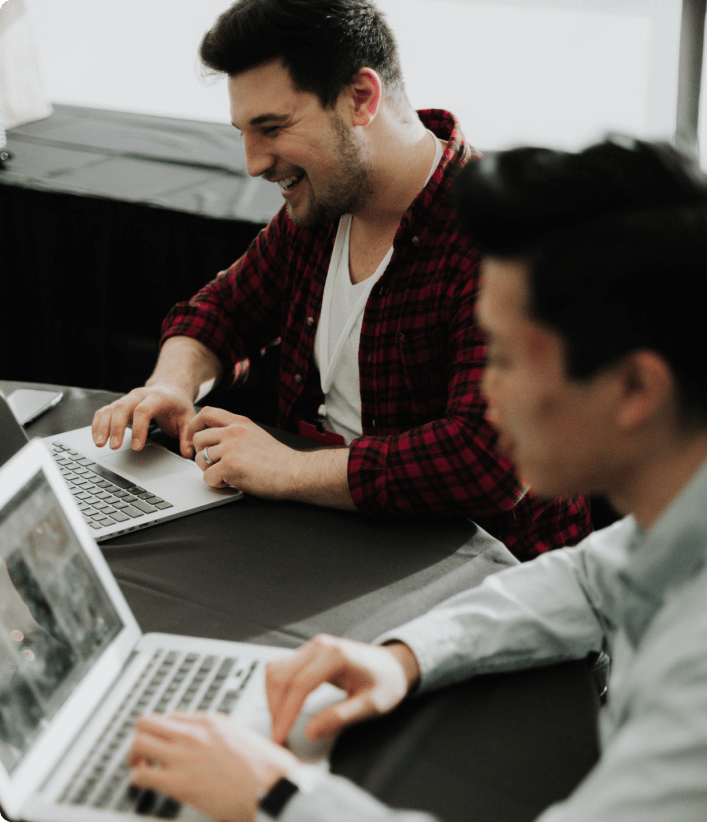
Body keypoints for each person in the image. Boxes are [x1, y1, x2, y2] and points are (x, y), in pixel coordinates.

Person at [126, 136, 707, 822]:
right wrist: (403, 656)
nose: (484, 394)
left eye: (501, 358)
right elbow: (591, 579)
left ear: (634, 389)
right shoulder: (697, 499)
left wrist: (277, 794)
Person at [89, 0, 590, 560]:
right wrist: (171, 385)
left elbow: (489, 460)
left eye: (272, 128)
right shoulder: (323, 204)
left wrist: (290, 469)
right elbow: (223, 311)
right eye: (243, 133)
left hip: (479, 574)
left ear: (360, 99)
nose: (253, 163)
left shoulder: (502, 238)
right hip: (332, 538)